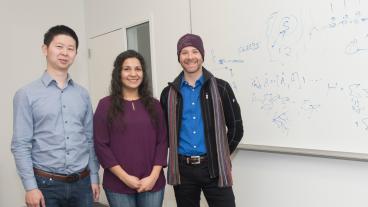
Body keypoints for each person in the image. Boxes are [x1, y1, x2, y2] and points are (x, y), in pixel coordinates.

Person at [11, 25, 100, 207]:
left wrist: (94, 177)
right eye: (59, 46)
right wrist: (30, 187)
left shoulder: (82, 94)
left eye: (70, 48)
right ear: (45, 49)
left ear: (75, 54)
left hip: (82, 183)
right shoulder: (26, 94)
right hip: (45, 185)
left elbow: (89, 140)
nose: (65, 53)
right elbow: (21, 145)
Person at [160, 33, 244, 207]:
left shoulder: (221, 88)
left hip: (214, 168)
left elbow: (236, 128)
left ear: (202, 55)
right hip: (182, 171)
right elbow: (163, 133)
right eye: (184, 52)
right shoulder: (168, 94)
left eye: (195, 51)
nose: (190, 57)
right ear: (179, 57)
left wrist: (221, 156)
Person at [93, 50, 167, 207]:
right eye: (127, 69)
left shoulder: (155, 105)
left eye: (138, 69)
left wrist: (153, 177)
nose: (133, 74)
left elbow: (162, 141)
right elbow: (101, 145)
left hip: (152, 183)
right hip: (118, 184)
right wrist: (126, 178)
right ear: (118, 73)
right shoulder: (105, 105)